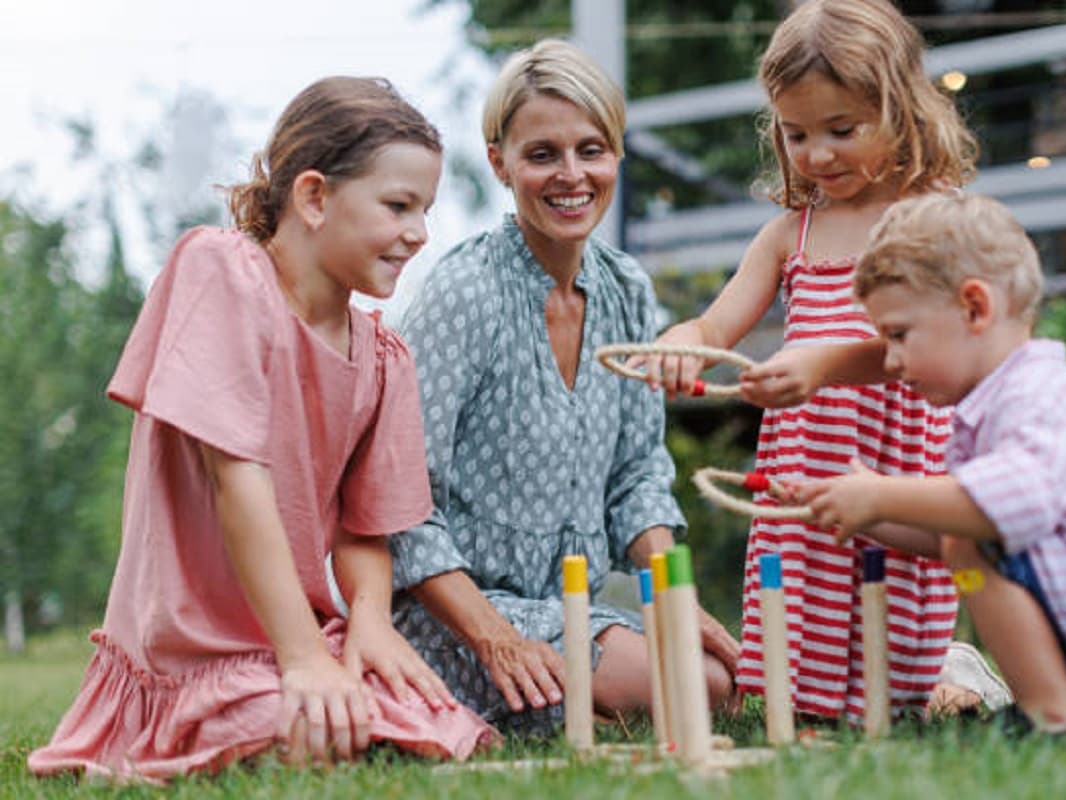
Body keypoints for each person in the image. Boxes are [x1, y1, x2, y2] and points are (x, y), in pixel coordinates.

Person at [28, 77, 494, 781]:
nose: (419, 233)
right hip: (194, 647)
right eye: (398, 206)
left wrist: (367, 620)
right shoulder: (220, 272)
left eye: (425, 210)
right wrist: (305, 659)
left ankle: (309, 692)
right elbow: (235, 476)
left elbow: (366, 530)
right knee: (315, 731)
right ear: (313, 197)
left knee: (433, 722)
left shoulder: (384, 358)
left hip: (300, 634)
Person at [637, 0, 987, 723]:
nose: (817, 155)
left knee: (893, 595)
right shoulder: (787, 235)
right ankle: (807, 701)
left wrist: (822, 364)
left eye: (841, 130)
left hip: (895, 456)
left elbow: (931, 347)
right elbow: (715, 322)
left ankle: (940, 678)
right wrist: (680, 338)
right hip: (804, 459)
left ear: (901, 113)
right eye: (796, 134)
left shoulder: (928, 217)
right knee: (802, 590)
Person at [389, 39, 738, 732]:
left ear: (617, 154)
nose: (571, 175)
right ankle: (511, 696)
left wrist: (676, 600)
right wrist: (494, 638)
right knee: (688, 687)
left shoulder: (628, 291)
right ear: (500, 163)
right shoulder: (465, 294)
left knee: (716, 680)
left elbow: (636, 480)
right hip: (455, 613)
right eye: (542, 154)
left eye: (591, 149)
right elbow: (403, 506)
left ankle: (574, 700)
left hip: (568, 606)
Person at [782, 191, 1066, 734]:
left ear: (975, 308)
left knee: (968, 544)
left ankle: (1050, 721)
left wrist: (879, 493)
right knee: (966, 541)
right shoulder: (994, 409)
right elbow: (958, 530)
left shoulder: (1035, 396)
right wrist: (859, 512)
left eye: (899, 335)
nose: (891, 362)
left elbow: (987, 522)